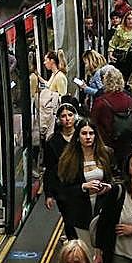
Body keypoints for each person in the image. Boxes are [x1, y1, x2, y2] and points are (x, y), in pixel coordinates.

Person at [55, 117, 114, 249]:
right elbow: (63, 190)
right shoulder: (69, 159)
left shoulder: (106, 154)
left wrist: (109, 186)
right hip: (80, 214)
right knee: (86, 251)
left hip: (103, 211)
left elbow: (117, 179)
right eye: (84, 133)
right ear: (78, 136)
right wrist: (83, 187)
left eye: (91, 133)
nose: (88, 137)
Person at [90, 66, 132, 169]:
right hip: (127, 142)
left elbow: (93, 122)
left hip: (107, 144)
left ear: (105, 82)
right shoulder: (130, 100)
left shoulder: (100, 102)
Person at [42, 100, 80, 235]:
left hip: (82, 185)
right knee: (69, 221)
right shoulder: (53, 142)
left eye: (70, 115)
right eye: (63, 116)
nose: (67, 119)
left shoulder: (82, 136)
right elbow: (49, 169)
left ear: (75, 117)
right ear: (59, 119)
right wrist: (49, 194)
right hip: (62, 188)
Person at [106, 10, 132, 82]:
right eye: (128, 19)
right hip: (120, 55)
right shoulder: (120, 29)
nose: (130, 21)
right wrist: (110, 54)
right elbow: (113, 42)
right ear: (125, 19)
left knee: (129, 76)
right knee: (118, 76)